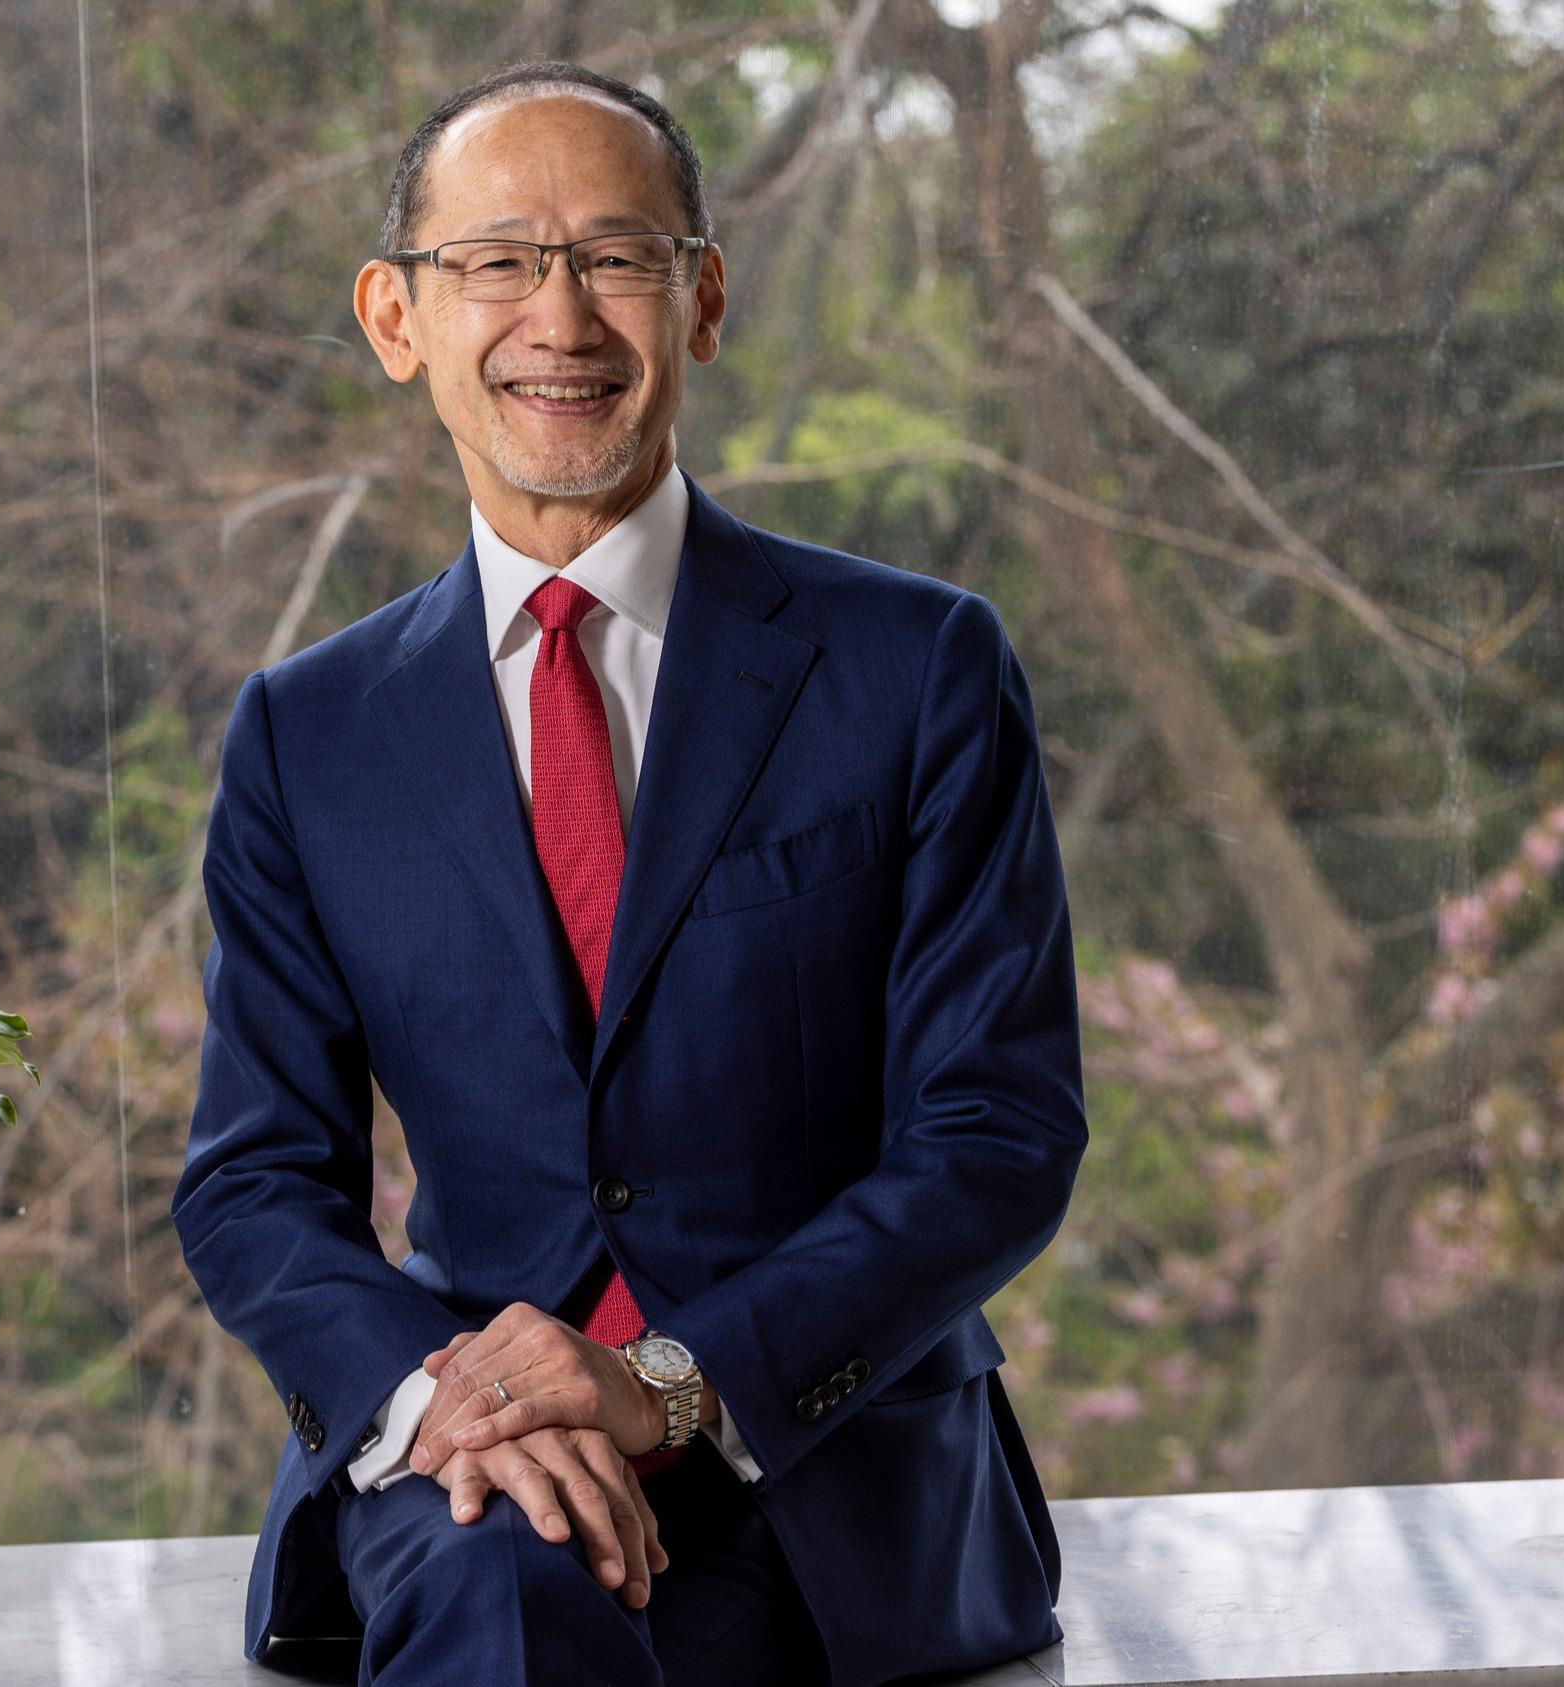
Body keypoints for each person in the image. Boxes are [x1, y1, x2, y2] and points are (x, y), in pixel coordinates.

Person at [169, 61, 1087, 1686]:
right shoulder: (308, 735)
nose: (562, 319)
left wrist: (670, 1382)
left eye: (617, 258)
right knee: (501, 1591)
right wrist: (439, 1398)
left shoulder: (917, 666)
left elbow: (997, 1130)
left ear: (704, 299)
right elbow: (253, 1185)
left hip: (826, 1459)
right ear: (398, 320)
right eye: (500, 262)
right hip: (473, 1451)